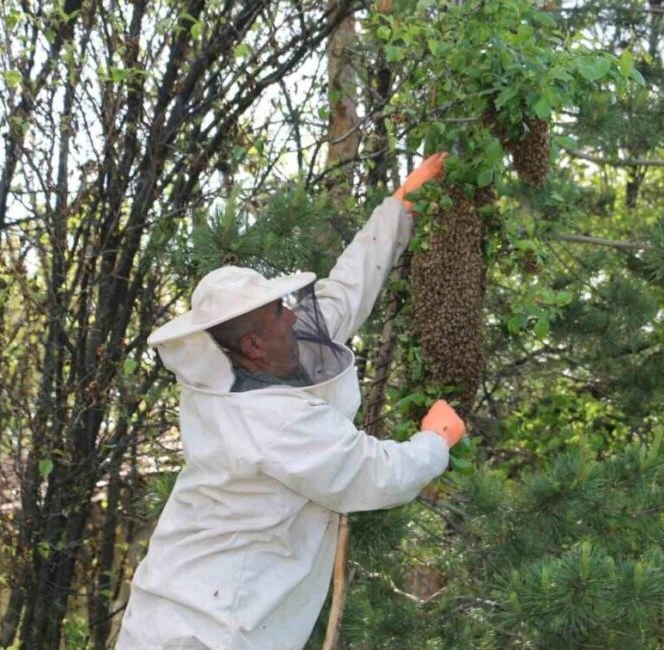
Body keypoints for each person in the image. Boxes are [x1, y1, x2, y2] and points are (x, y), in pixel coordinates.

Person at [117, 153, 466, 650]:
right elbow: (376, 474)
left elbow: (345, 292)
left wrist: (398, 208)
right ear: (254, 344)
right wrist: (436, 440)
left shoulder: (244, 360)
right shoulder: (269, 422)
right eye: (278, 310)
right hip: (208, 633)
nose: (292, 313)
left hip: (174, 611)